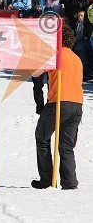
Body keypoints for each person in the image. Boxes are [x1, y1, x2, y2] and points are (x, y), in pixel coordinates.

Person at [31, 24, 84, 190]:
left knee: (42, 137)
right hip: (77, 104)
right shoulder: (76, 58)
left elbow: (35, 73)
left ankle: (47, 179)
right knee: (66, 146)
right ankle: (69, 182)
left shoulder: (55, 55)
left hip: (59, 102)